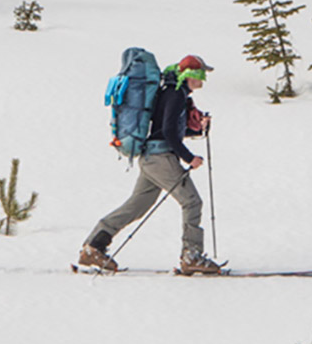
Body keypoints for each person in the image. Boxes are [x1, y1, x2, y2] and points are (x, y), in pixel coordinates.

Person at [78, 54, 223, 275]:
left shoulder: (173, 93)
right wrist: (188, 157)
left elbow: (170, 130)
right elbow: (167, 132)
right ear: (190, 76)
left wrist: (196, 128)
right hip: (160, 157)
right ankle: (191, 256)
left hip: (151, 158)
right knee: (192, 202)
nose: (203, 79)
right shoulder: (175, 95)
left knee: (137, 205)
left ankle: (93, 247)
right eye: (200, 74)